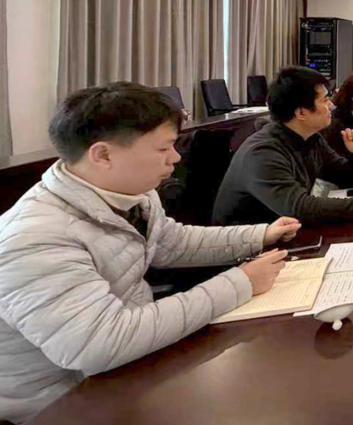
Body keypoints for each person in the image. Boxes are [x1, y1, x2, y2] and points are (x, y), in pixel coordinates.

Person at [0, 83, 302, 422]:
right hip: (60, 404)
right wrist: (240, 282)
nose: (175, 157)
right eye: (163, 148)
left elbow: (171, 243)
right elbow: (100, 344)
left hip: (128, 367)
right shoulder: (34, 238)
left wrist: (259, 235)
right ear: (103, 155)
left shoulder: (133, 193)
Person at [213, 66, 353, 225]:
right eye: (325, 100)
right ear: (301, 113)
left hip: (286, 233)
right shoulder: (263, 152)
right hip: (248, 248)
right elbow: (301, 208)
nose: (331, 106)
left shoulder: (311, 138)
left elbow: (347, 180)